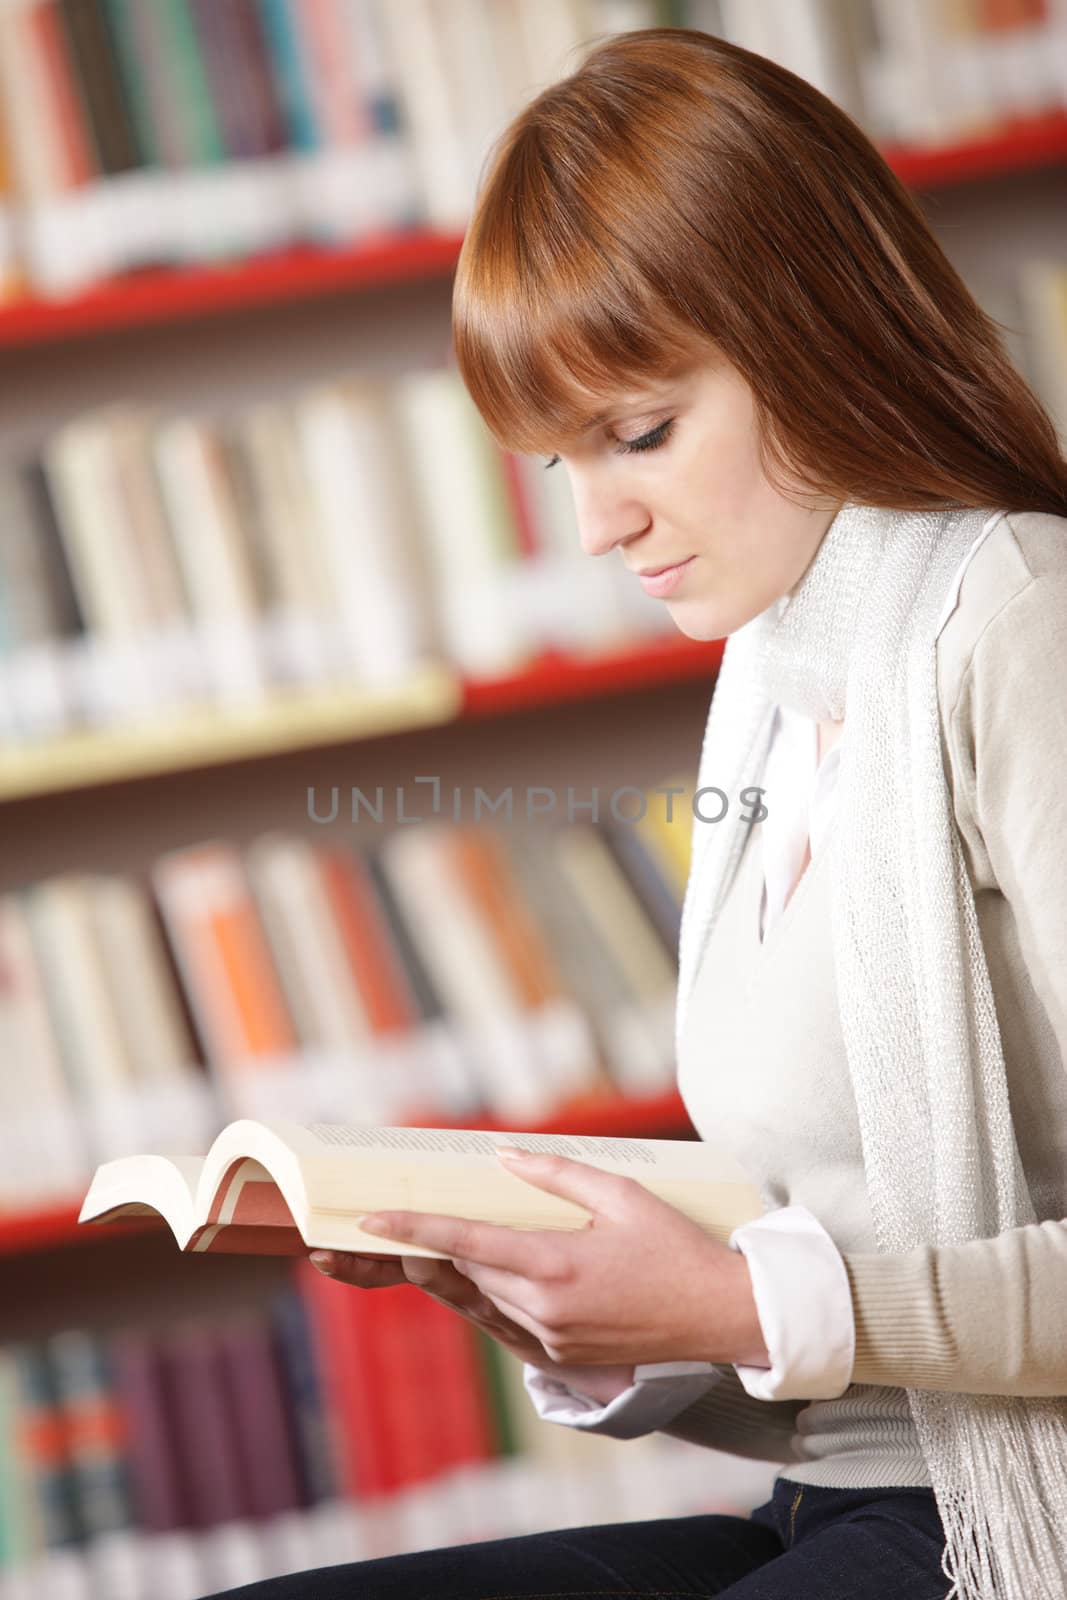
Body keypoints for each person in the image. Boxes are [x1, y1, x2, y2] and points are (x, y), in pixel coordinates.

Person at [203, 26, 1067, 1600]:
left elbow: (805, 1310)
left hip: (1017, 1513)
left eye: (643, 433)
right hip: (852, 1501)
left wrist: (747, 1308)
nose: (598, 523)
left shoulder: (1015, 625)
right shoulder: (776, 662)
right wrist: (575, 1303)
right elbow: (821, 1351)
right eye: (558, 459)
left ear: (818, 335)